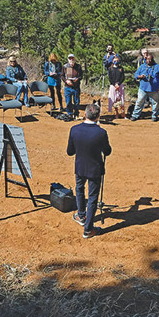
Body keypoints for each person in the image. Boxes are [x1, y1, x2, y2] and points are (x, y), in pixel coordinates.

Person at [67, 103, 112, 239]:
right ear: (98, 116)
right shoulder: (101, 132)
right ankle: (88, 229)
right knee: (92, 197)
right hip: (95, 169)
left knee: (79, 189)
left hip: (80, 167)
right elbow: (108, 151)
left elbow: (70, 152)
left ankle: (81, 216)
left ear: (85, 114)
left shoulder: (74, 129)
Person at [130, 53, 159, 122]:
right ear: (145, 59)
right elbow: (136, 75)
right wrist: (140, 76)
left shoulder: (157, 67)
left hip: (154, 89)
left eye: (150, 59)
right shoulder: (142, 66)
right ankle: (135, 115)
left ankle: (154, 116)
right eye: (147, 59)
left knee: (155, 103)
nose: (149, 61)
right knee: (139, 101)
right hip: (143, 88)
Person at [63, 54, 84, 120]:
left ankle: (76, 114)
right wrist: (66, 81)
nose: (71, 60)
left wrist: (77, 79)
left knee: (77, 102)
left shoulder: (78, 67)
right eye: (70, 58)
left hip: (76, 87)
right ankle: (70, 114)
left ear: (74, 59)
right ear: (68, 59)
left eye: (72, 58)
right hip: (67, 87)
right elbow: (62, 76)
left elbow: (81, 76)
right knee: (68, 101)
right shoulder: (65, 66)